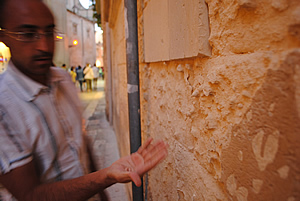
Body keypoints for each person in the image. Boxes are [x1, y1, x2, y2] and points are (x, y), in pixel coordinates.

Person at [0, 0, 168, 201]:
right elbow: (30, 195)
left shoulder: (63, 79)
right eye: (27, 35)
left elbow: (81, 144)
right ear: (4, 37)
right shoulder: (3, 106)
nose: (43, 46)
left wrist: (102, 194)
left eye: (49, 32)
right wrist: (106, 176)